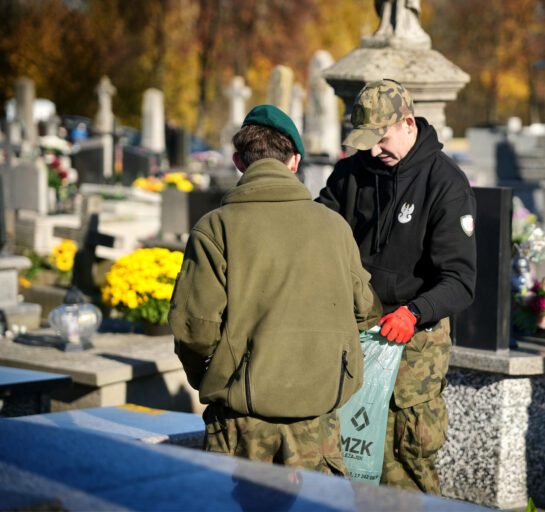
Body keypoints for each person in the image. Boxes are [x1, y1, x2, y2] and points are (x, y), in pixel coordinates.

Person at [169, 104, 382, 476]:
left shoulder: (215, 228)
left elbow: (194, 331)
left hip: (241, 422)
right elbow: (366, 311)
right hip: (319, 419)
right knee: (319, 504)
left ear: (239, 161)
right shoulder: (334, 226)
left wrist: (208, 377)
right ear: (295, 161)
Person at [316, 79, 477, 493]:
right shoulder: (351, 172)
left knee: (403, 465)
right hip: (353, 336)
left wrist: (414, 312)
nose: (373, 152)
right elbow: (318, 231)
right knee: (341, 460)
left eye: (381, 139)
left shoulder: (446, 183)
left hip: (412, 340)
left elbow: (459, 281)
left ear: (408, 124)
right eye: (365, 142)